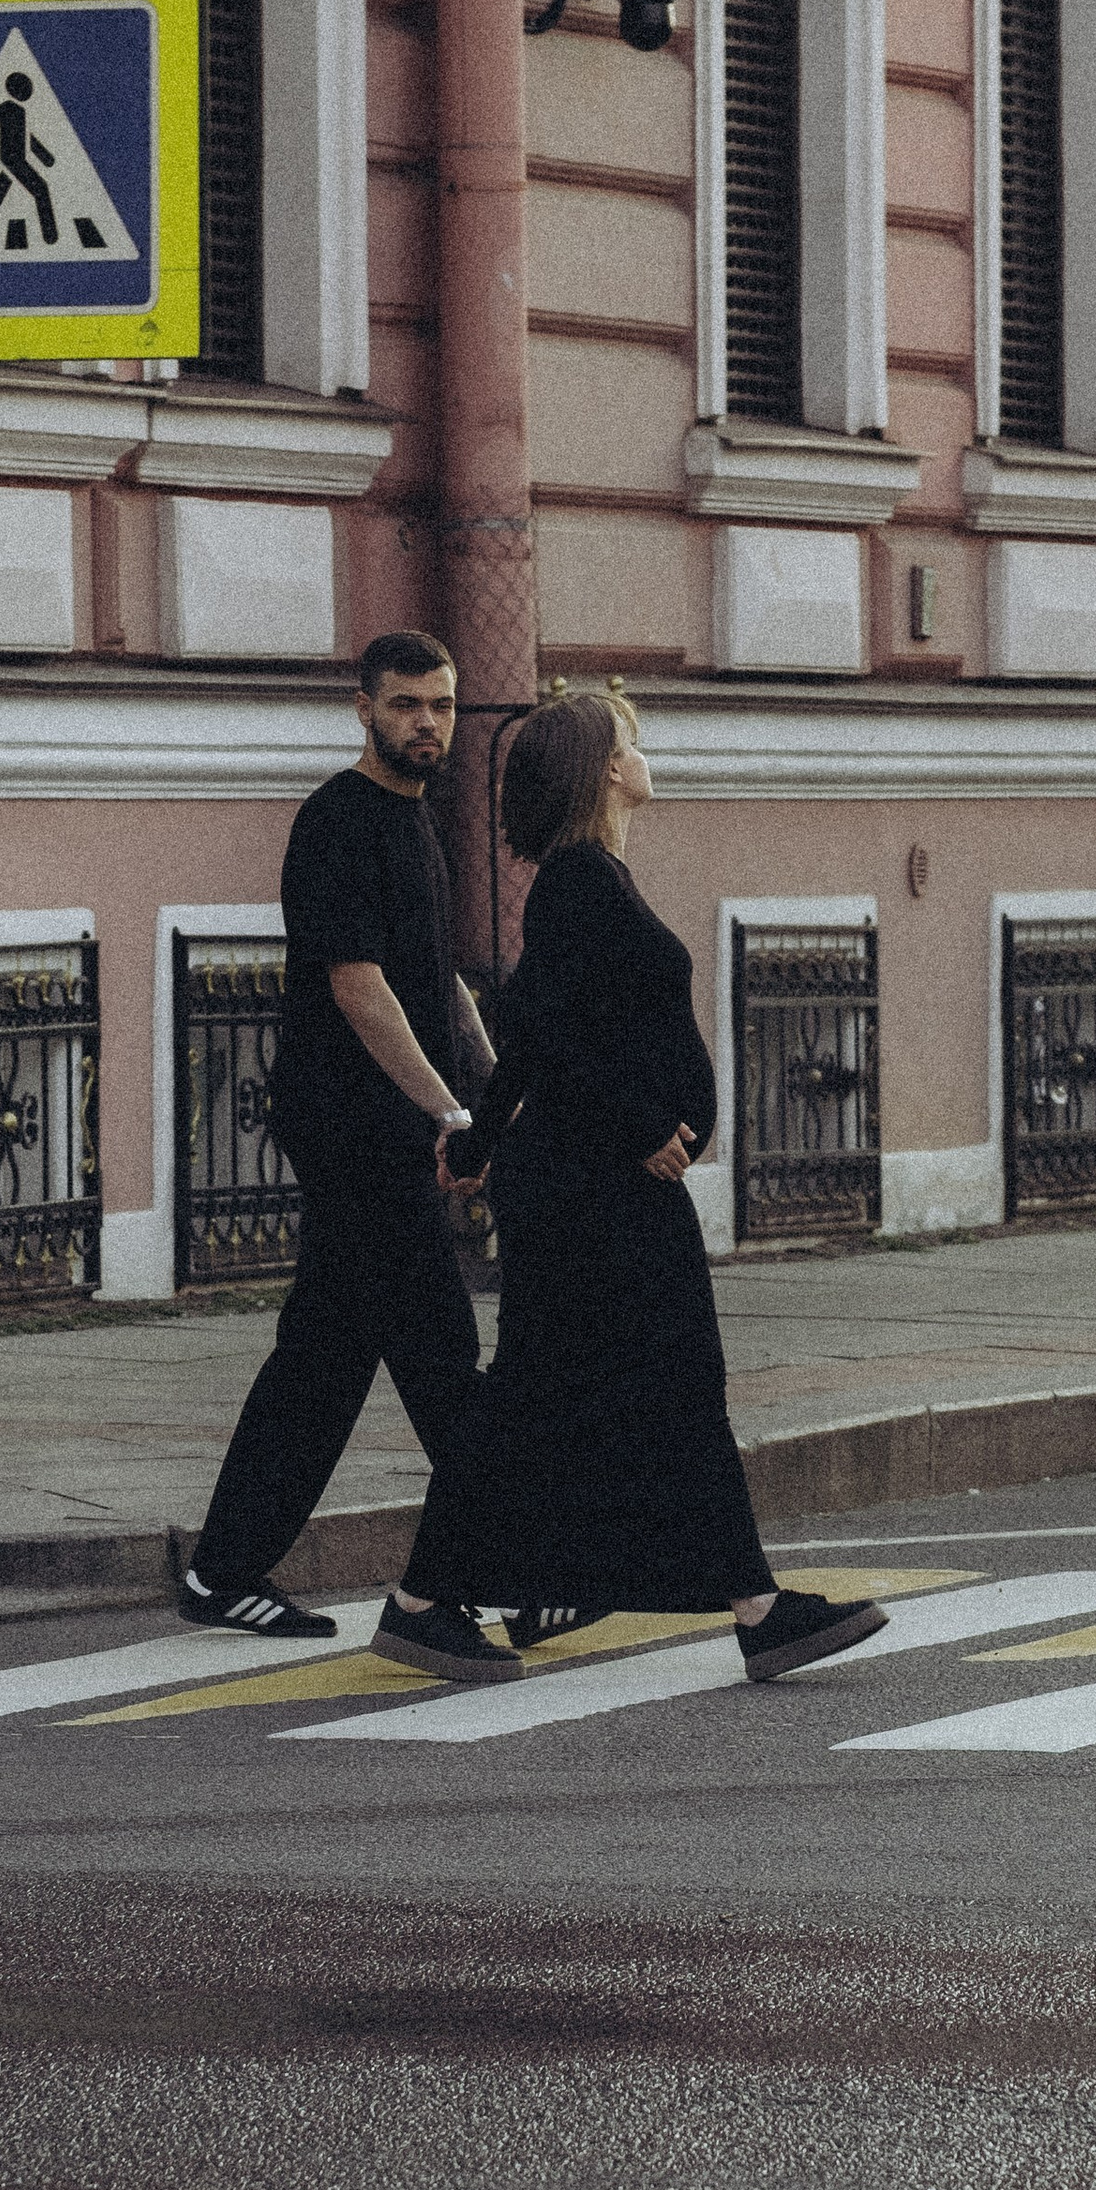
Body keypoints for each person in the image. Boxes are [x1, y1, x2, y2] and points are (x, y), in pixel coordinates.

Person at [371, 689, 887, 1689]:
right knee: (619, 1389)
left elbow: (531, 1020)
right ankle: (745, 1610)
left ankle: (741, 1605)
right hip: (592, 1191)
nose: (647, 755)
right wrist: (642, 1124)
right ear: (605, 768)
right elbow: (547, 1028)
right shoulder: (579, 882)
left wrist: (478, 1137)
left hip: (583, 1186)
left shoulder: (589, 878)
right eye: (634, 742)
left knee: (576, 1392)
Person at [178, 632, 494, 1640]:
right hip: (351, 1132)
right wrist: (447, 1109)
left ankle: (222, 1572)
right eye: (407, 705)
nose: (427, 724)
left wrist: (488, 1081)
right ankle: (523, 1560)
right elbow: (358, 988)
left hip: (392, 1131)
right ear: (362, 706)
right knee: (443, 1353)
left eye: (441, 706)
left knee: (321, 1362)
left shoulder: (418, 825)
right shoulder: (336, 823)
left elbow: (431, 975)